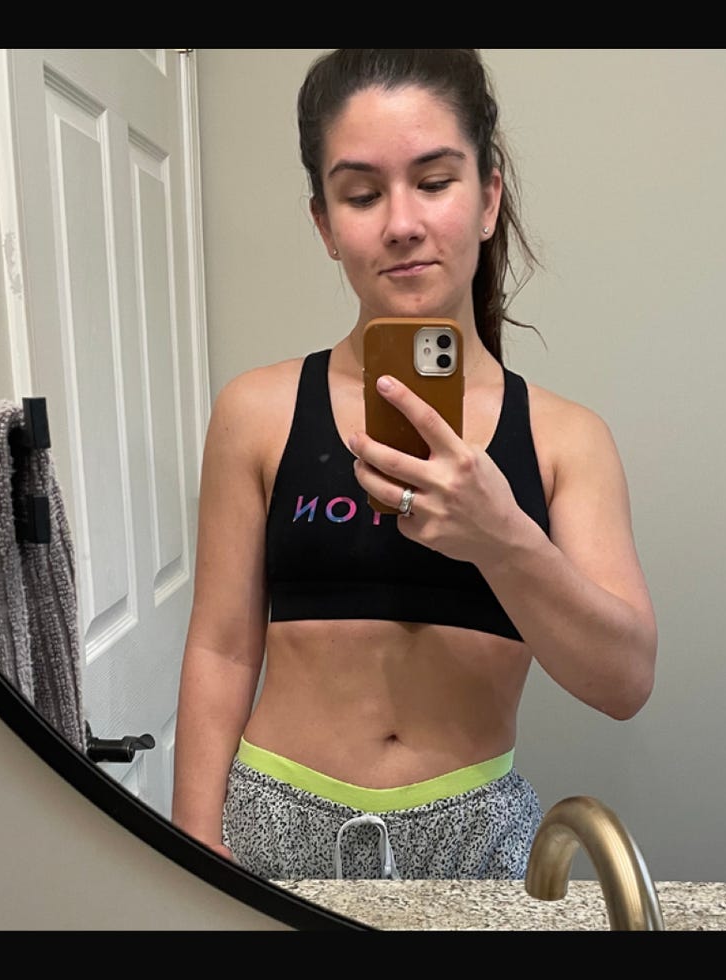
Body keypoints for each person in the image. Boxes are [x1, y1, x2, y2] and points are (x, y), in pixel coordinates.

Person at [171, 49, 657, 880]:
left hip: (474, 832)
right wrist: (188, 844)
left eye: (434, 182)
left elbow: (624, 681)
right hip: (275, 821)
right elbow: (221, 647)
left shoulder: (566, 440)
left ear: (488, 197)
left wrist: (502, 537)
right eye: (362, 194)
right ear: (324, 222)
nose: (401, 222)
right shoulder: (257, 412)